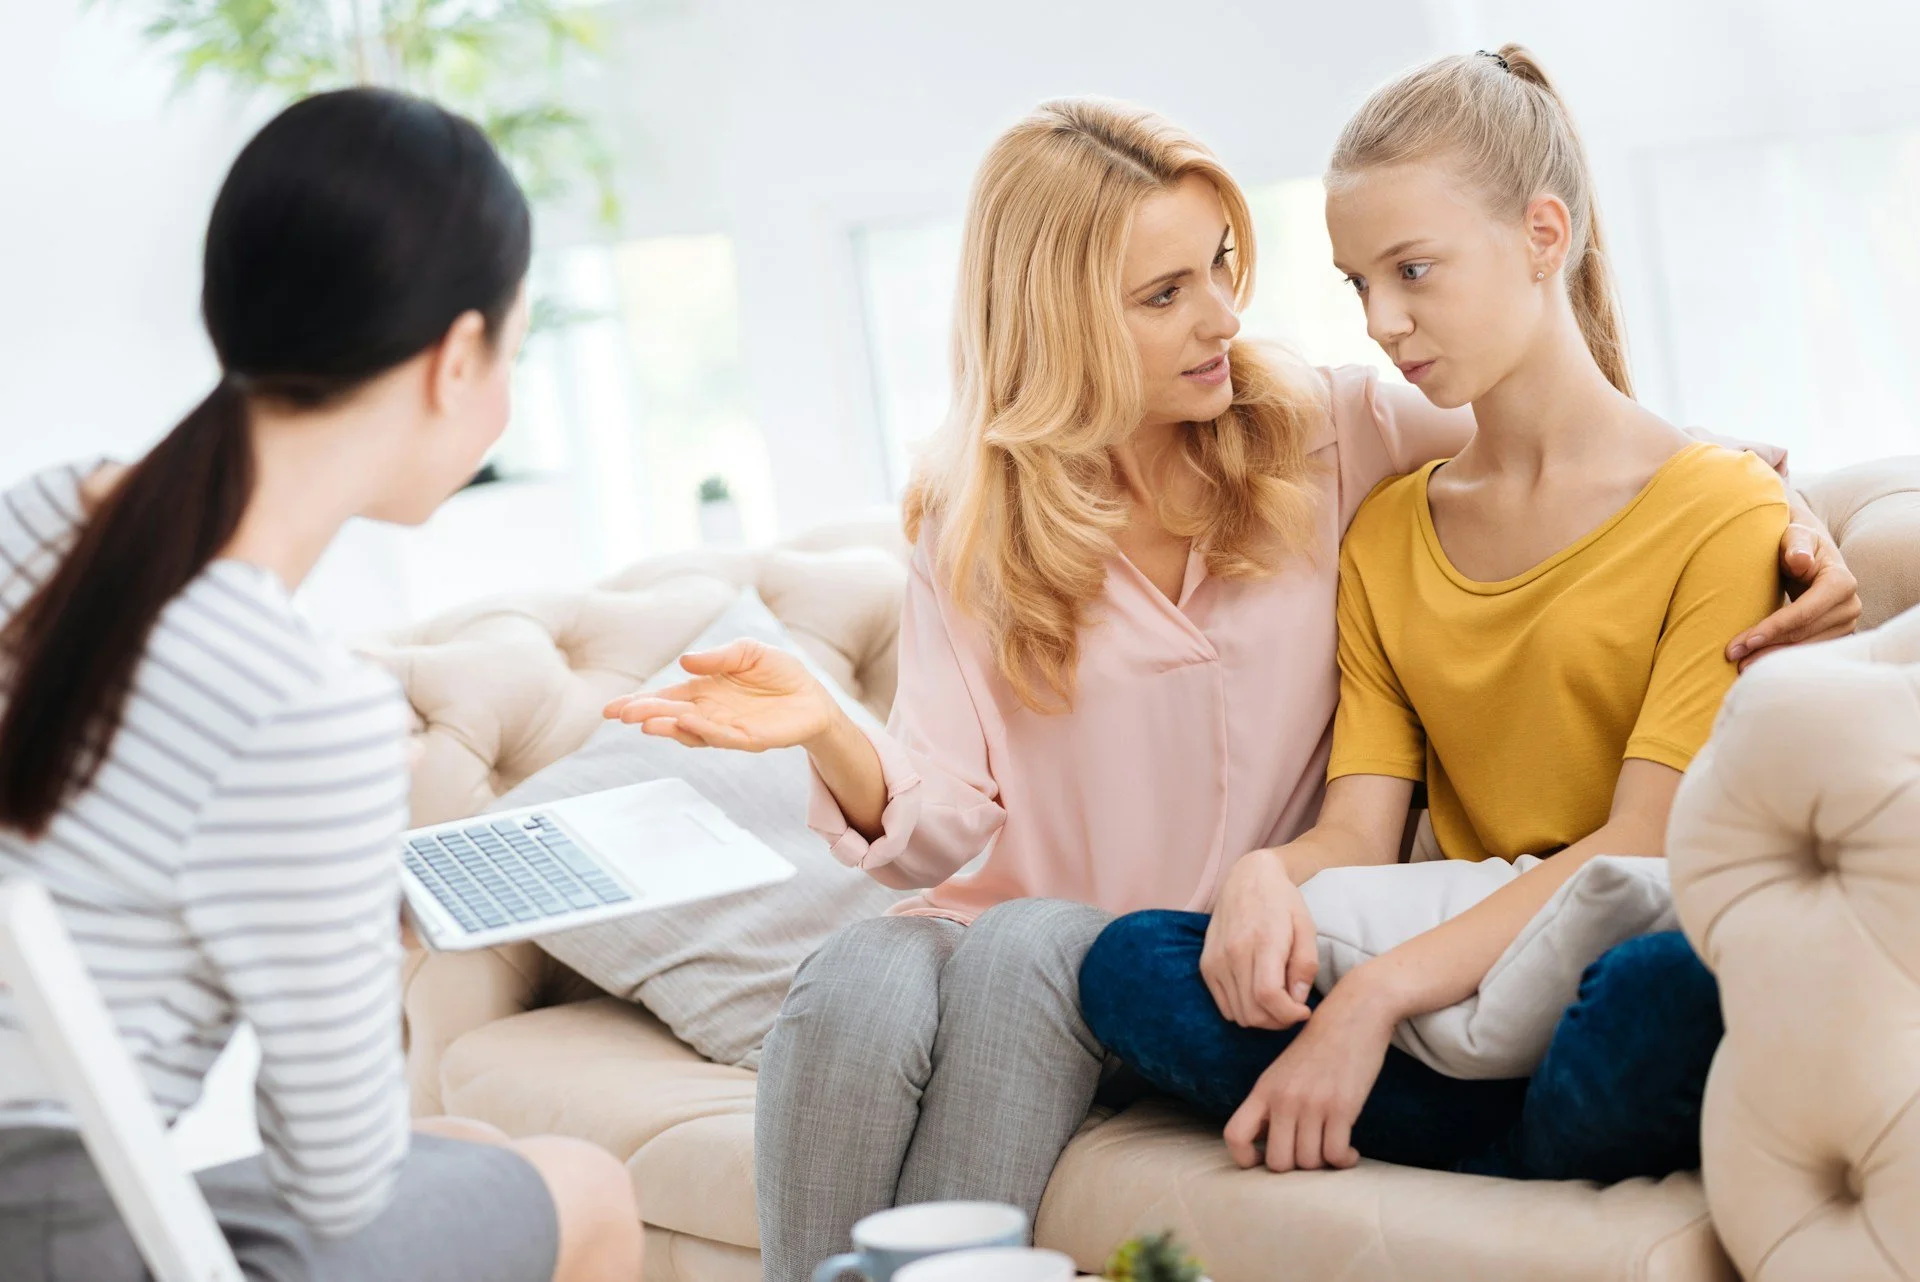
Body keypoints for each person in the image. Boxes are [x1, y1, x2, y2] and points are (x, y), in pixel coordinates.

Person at [602, 98, 1857, 1279]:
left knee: (1035, 945)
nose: (1220, 318)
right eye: (1164, 294)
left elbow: (1602, 454)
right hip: (1006, 940)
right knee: (859, 971)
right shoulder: (972, 516)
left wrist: (1797, 525)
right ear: (1056, 318)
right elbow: (939, 816)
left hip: (1180, 954)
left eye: (1218, 267)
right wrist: (827, 727)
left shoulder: (1334, 430)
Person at [1079, 46, 1789, 1184]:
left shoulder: (1723, 510)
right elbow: (1360, 836)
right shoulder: (1390, 533)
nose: (1382, 320)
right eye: (1359, 284)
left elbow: (1646, 840)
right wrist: (1265, 874)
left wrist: (1372, 997)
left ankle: (1453, 1127)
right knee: (1131, 961)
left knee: (1664, 987)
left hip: (1599, 970)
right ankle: (1525, 1143)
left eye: (1413, 270)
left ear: (1543, 236)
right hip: (1458, 1004)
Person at [0, 89, 642, 1282]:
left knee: (471, 1151)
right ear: (458, 356)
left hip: (46, 1195)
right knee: (588, 1190)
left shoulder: (38, 516)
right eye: (513, 350)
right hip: (60, 1235)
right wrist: (347, 908)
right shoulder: (307, 711)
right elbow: (336, 1180)